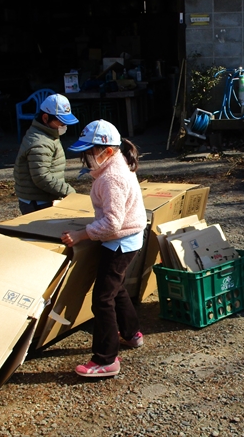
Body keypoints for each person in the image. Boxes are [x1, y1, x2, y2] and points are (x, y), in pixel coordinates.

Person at [60, 119, 146, 378]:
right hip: (127, 239)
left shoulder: (112, 178)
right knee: (117, 289)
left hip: (120, 243)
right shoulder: (114, 166)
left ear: (106, 151)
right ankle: (131, 334)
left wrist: (81, 234)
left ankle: (106, 359)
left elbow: (111, 223)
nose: (86, 158)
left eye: (89, 152)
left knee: (102, 299)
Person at [13, 93, 79, 215]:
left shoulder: (48, 133)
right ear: (45, 118)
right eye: (61, 122)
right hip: (37, 202)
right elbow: (41, 177)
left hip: (43, 196)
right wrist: (68, 191)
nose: (64, 126)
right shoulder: (40, 143)